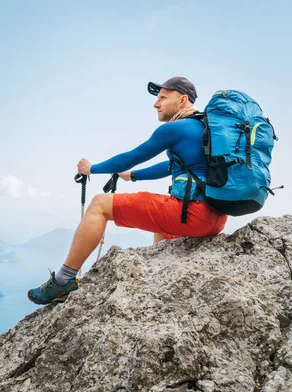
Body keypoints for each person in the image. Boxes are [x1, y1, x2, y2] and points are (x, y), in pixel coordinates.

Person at [27, 76, 228, 305]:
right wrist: (134, 176)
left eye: (163, 98)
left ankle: (63, 281)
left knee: (100, 204)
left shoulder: (175, 128)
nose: (156, 104)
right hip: (215, 219)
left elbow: (128, 158)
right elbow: (175, 166)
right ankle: (158, 281)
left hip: (192, 215)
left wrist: (92, 169)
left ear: (182, 101)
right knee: (161, 226)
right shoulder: (204, 128)